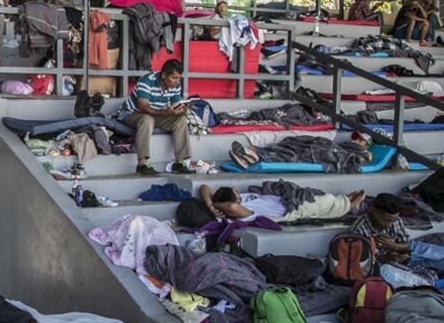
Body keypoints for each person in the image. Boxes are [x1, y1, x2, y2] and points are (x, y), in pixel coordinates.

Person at [118, 59, 193, 176]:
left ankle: (180, 162)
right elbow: (143, 108)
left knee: (180, 120)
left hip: (156, 114)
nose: (176, 81)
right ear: (163, 75)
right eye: (173, 78)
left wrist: (182, 110)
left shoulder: (175, 86)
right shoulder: (147, 81)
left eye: (178, 78)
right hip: (131, 113)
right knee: (147, 119)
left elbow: (175, 105)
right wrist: (167, 113)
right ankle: (142, 164)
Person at [351, 193, 444, 273]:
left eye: (393, 220)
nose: (389, 224)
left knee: (435, 256)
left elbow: (407, 245)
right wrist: (386, 258)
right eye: (385, 220)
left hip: (405, 259)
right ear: (374, 211)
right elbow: (362, 263)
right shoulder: (359, 230)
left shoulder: (396, 220)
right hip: (384, 266)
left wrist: (395, 247)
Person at [200, 185, 365, 223]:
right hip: (293, 209)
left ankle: (345, 199)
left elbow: (204, 187)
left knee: (323, 196)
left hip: (289, 197)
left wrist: (210, 204)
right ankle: (350, 204)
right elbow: (231, 207)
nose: (239, 196)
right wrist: (215, 208)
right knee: (327, 202)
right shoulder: (244, 212)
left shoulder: (238, 197)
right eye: (237, 197)